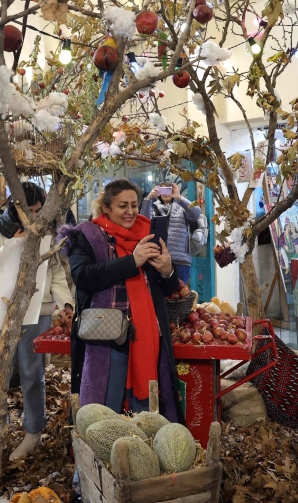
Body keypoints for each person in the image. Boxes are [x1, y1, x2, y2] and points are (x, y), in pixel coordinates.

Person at [65, 179, 182, 422]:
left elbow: (168, 288)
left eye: (134, 205)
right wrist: (132, 262)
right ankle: (102, 455)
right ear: (106, 208)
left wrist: (168, 269)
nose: (130, 212)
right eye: (122, 206)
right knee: (106, 405)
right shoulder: (87, 235)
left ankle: (141, 452)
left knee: (145, 408)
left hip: (147, 332)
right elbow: (83, 277)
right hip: (106, 336)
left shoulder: (149, 233)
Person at [0, 182, 74, 461]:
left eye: (38, 210)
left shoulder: (48, 229)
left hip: (37, 310)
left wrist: (65, 303)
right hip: (0, 309)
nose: (33, 216)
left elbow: (54, 270)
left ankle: (33, 431)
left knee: (32, 373)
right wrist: (14, 243)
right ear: (13, 207)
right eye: (27, 210)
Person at [141, 182, 202, 283]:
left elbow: (196, 213)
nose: (165, 194)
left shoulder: (182, 207)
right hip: (158, 259)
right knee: (159, 295)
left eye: (168, 190)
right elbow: (143, 221)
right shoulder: (153, 208)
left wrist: (179, 198)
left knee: (180, 293)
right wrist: (148, 199)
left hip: (180, 259)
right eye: (162, 190)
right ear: (158, 192)